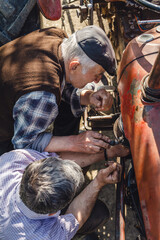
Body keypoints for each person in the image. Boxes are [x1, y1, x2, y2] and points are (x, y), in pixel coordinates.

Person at [0, 25, 117, 156]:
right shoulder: (43, 95)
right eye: (96, 74)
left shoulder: (56, 37)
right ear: (74, 65)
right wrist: (76, 142)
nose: (97, 80)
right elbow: (24, 144)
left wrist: (88, 97)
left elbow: (63, 83)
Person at [0, 148, 123, 240]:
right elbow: (75, 216)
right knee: (99, 213)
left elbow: (58, 156)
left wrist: (107, 153)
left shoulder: (13, 159)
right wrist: (98, 183)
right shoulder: (45, 236)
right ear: (54, 213)